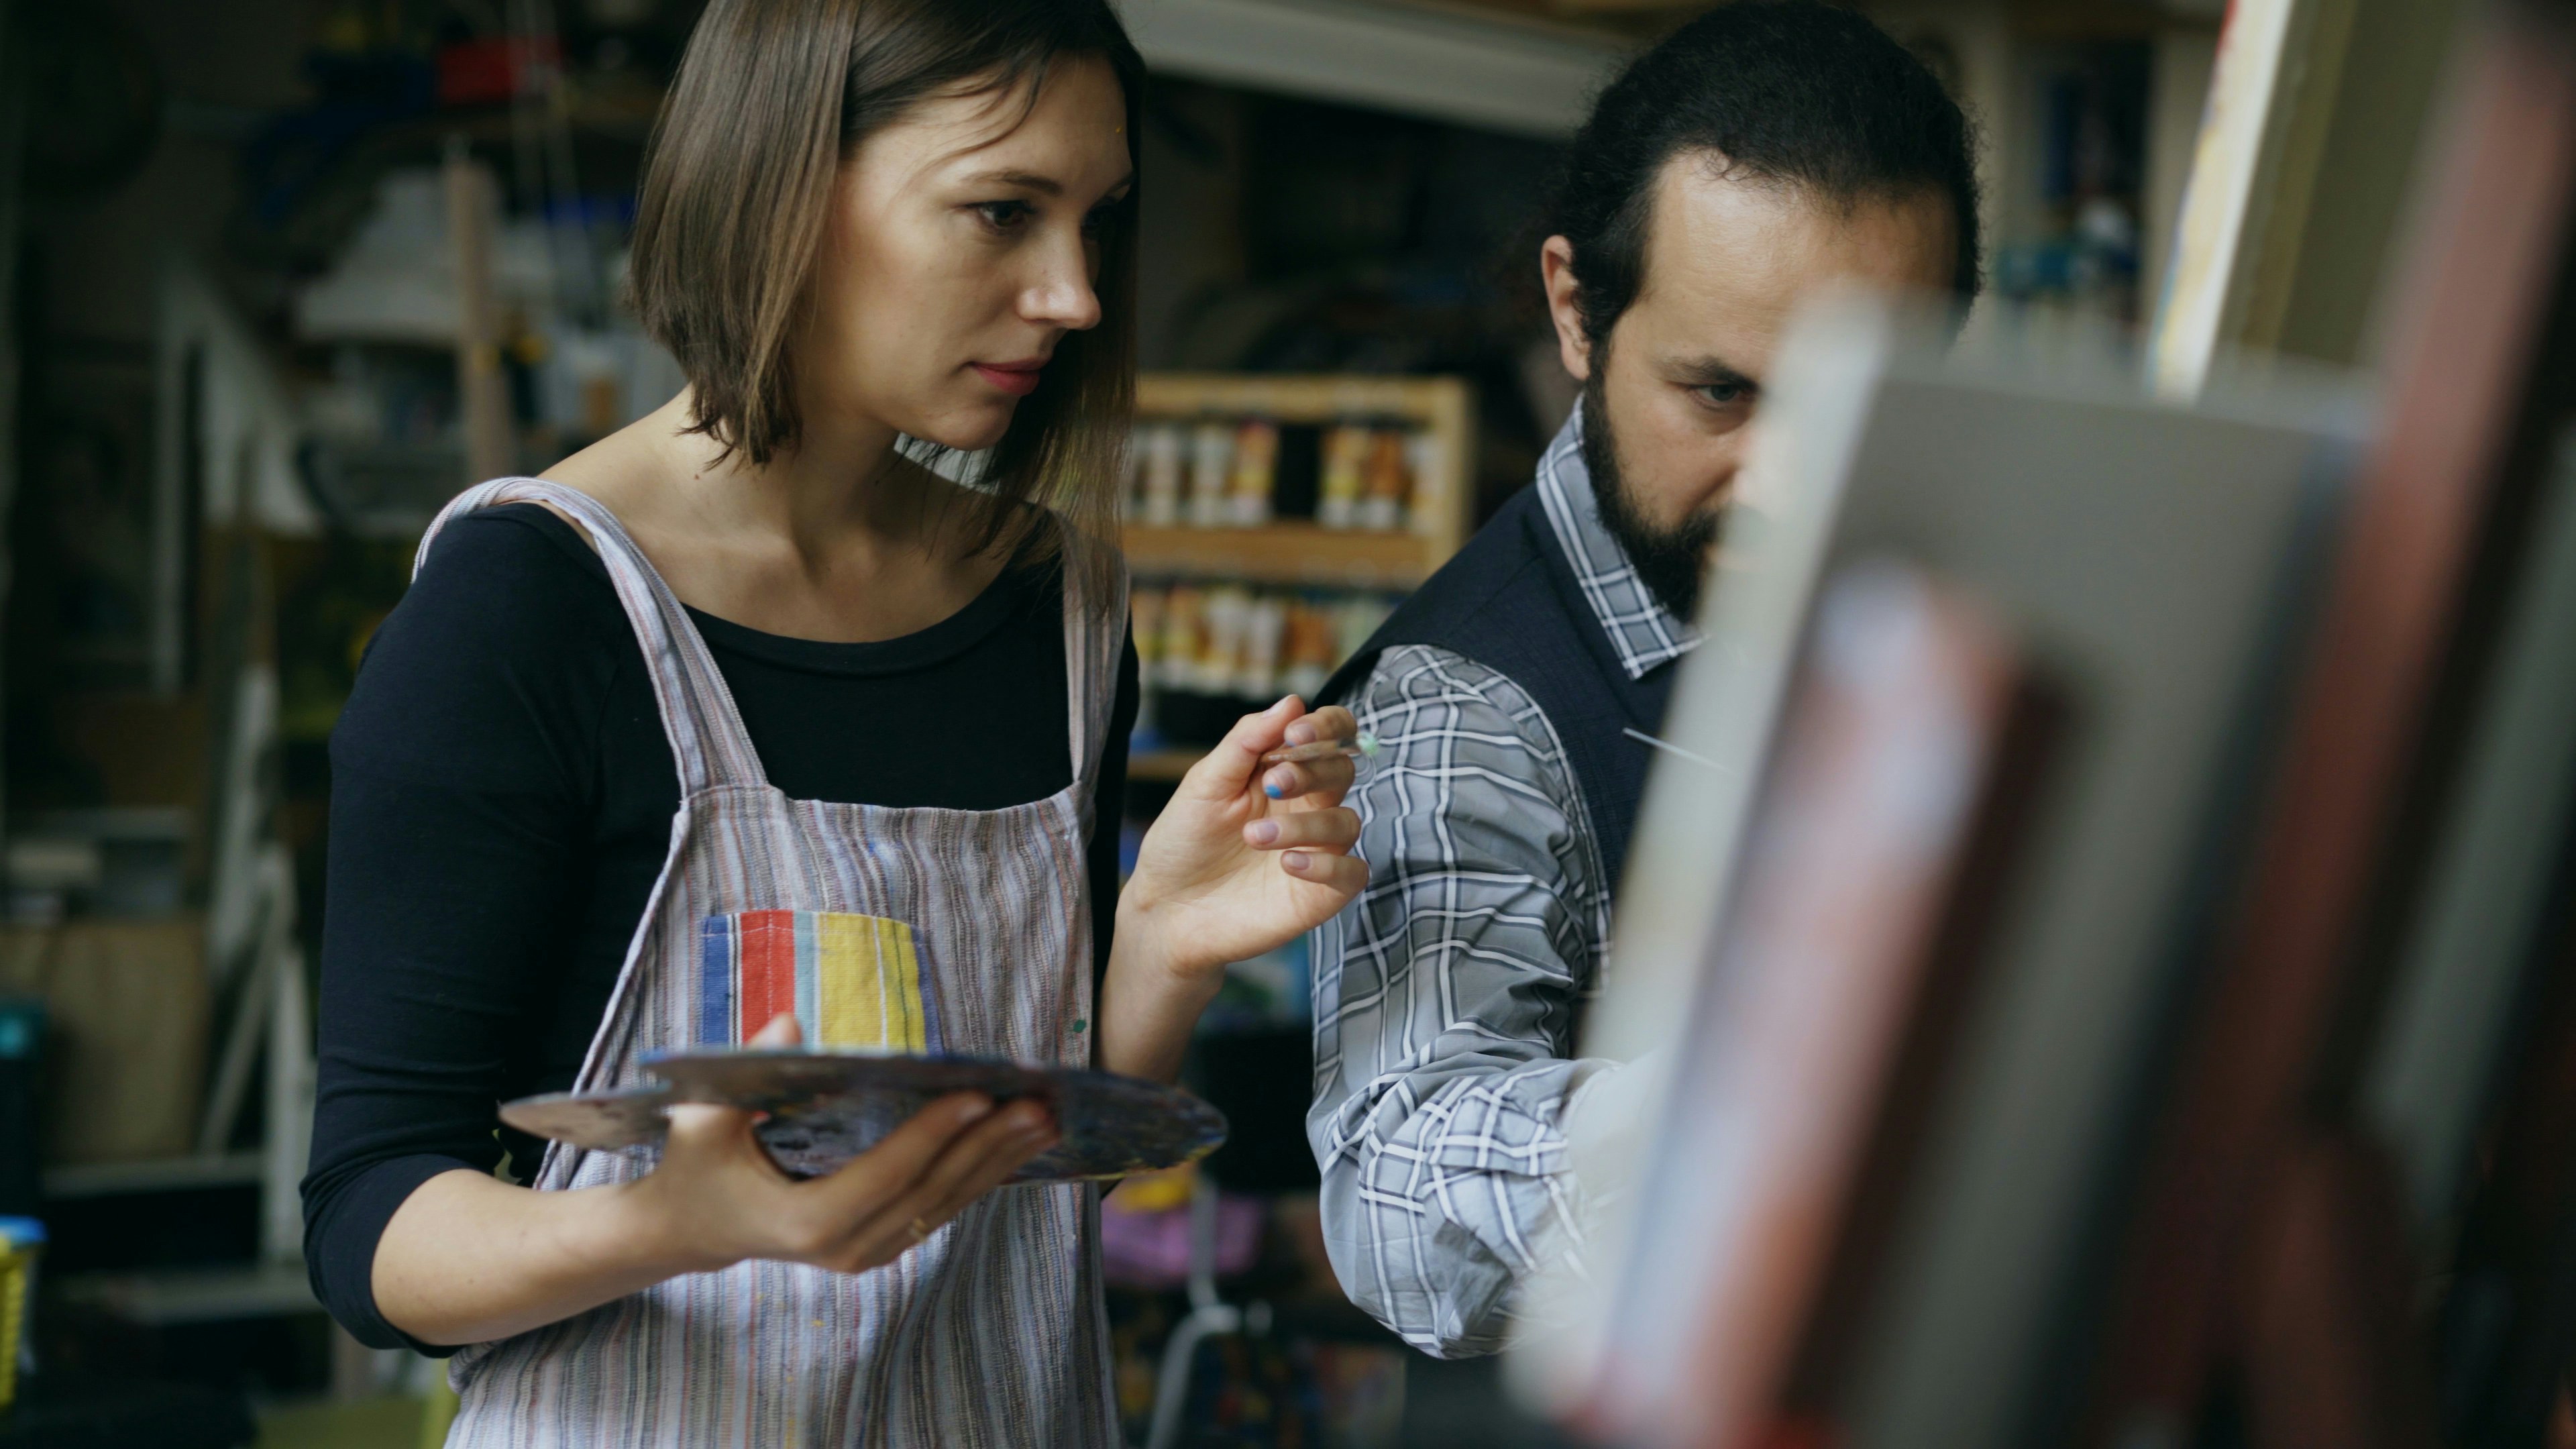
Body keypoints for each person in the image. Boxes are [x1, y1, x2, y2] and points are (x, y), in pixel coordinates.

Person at [299, 1, 1367, 1441]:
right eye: (1002, 212)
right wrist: (674, 1221)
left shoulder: (1055, 601)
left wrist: (1164, 937)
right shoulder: (531, 607)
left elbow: (1024, 1206)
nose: (1076, 296)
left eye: (1096, 222)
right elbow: (371, 1230)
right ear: (785, 188)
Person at [1307, 0, 1983, 1358]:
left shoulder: (1960, 571)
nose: (1793, 485)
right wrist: (1801, 1097)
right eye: (1723, 395)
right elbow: (1400, 1194)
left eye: (1860, 400)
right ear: (1575, 309)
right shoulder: (1464, 702)